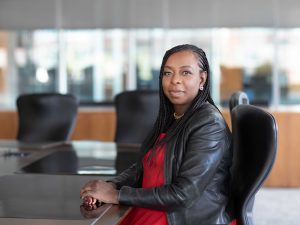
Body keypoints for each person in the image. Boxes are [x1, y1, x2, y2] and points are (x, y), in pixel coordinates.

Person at [80, 44, 234, 225]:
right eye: (168, 73)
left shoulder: (209, 123)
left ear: (202, 79)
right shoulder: (174, 116)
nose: (175, 80)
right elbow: (145, 166)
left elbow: (183, 194)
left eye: (185, 72)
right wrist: (112, 185)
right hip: (157, 207)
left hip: (183, 217)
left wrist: (117, 195)